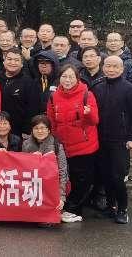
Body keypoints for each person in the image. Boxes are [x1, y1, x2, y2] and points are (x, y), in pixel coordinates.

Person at [93, 56, 132, 224]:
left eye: (115, 67)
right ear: (103, 67)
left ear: (122, 69)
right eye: (108, 66)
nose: (111, 70)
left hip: (120, 140)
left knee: (117, 176)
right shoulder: (98, 87)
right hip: (101, 138)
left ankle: (123, 209)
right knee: (105, 175)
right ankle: (110, 206)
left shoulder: (130, 89)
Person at [47, 64, 100, 222]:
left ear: (77, 78)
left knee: (82, 180)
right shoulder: (54, 96)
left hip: (84, 146)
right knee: (65, 178)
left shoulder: (87, 94)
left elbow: (95, 120)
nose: (67, 80)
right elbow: (51, 121)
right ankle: (67, 207)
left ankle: (74, 209)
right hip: (63, 146)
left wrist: (88, 114)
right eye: (64, 76)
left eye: (71, 77)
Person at [22, 115, 69, 222]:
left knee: (47, 220)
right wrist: (31, 159)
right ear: (32, 130)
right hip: (33, 187)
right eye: (36, 128)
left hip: (52, 188)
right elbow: (23, 169)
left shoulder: (57, 145)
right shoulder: (26, 144)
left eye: (43, 128)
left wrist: (61, 197)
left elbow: (62, 172)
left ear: (48, 130)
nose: (40, 131)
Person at [0, 49, 39, 137]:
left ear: (22, 64)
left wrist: (27, 130)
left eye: (16, 60)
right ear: (4, 61)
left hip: (18, 132)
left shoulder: (28, 82)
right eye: (9, 59)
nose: (12, 62)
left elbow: (32, 110)